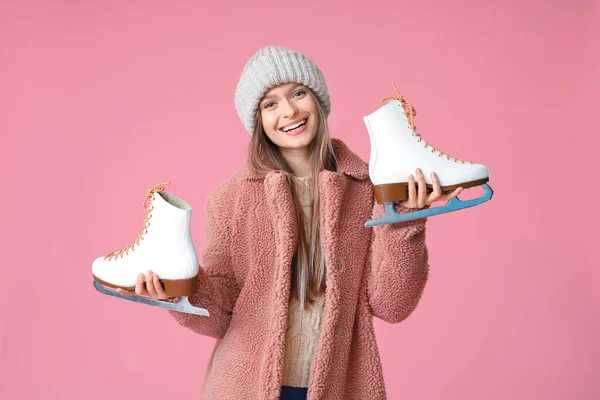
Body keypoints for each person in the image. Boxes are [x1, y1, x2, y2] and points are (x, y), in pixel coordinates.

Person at [118, 46, 462, 399]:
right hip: (244, 388)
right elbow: (220, 315)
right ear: (258, 123)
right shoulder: (229, 199)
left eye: (299, 93)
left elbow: (392, 305)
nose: (289, 111)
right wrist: (179, 294)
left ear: (318, 100)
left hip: (340, 388)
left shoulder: (369, 189)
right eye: (270, 104)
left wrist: (405, 220)